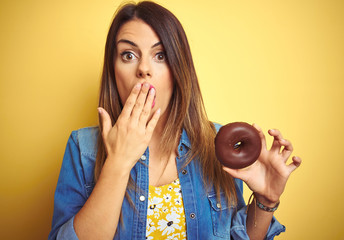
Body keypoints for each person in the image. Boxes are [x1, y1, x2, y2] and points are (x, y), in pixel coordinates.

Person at [48, 1, 302, 239]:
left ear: (178, 69)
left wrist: (265, 201)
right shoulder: (83, 148)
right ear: (113, 70)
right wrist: (118, 164)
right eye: (128, 55)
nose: (143, 69)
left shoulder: (219, 146)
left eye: (160, 55)